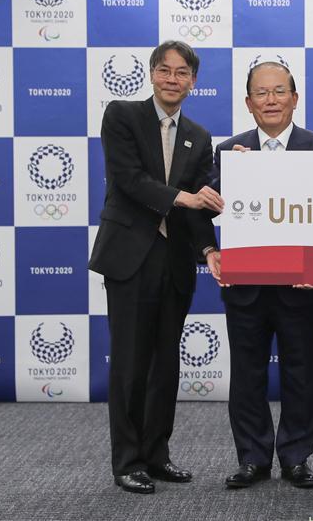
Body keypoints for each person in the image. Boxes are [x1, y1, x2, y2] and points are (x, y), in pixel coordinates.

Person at [88, 40, 223, 494]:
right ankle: (127, 461)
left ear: (193, 82)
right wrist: (182, 197)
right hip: (130, 258)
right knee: (130, 363)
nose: (172, 79)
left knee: (165, 364)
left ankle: (157, 455)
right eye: (164, 70)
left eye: (182, 72)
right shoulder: (122, 116)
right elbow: (128, 180)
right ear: (151, 74)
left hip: (175, 262)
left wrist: (209, 251)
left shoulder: (200, 138)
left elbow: (201, 209)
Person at [205, 62, 313, 490]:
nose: (271, 100)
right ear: (248, 103)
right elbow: (205, 207)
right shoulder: (229, 151)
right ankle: (252, 458)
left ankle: (297, 457)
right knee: (247, 373)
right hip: (246, 286)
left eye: (279, 91)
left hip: (303, 286)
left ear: (295, 99)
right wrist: (211, 251)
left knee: (302, 372)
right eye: (261, 93)